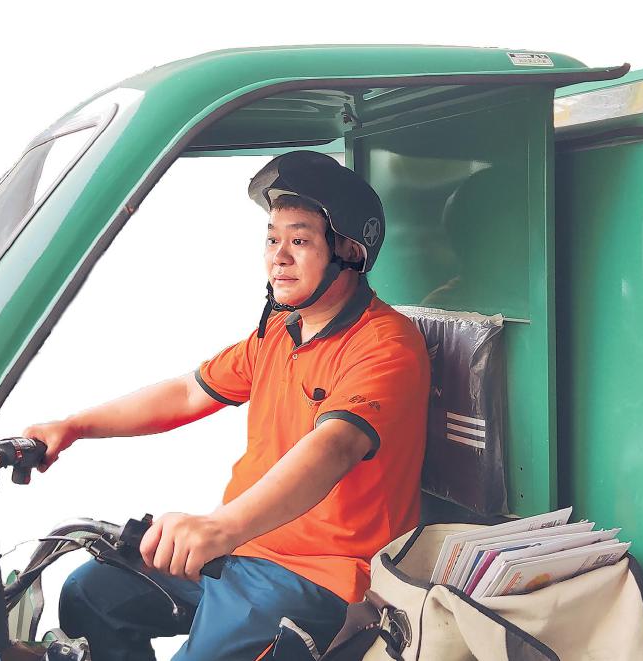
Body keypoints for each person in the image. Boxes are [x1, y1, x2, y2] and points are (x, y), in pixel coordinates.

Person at [24, 151, 430, 661]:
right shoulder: (280, 331)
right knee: (91, 593)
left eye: (300, 240)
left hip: (318, 579)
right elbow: (188, 392)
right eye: (272, 239)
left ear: (349, 250)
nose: (278, 257)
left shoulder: (385, 344)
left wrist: (220, 528)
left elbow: (335, 447)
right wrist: (72, 427)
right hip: (241, 550)